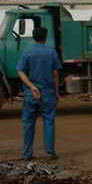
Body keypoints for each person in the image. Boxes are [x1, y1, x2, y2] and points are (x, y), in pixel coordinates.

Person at [16, 26, 62, 161]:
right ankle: (49, 152)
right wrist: (56, 91)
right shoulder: (51, 52)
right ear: (46, 37)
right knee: (49, 121)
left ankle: (27, 154)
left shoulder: (27, 52)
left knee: (28, 123)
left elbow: (20, 71)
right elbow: (55, 73)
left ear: (33, 37)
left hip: (31, 94)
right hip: (48, 93)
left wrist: (31, 86)